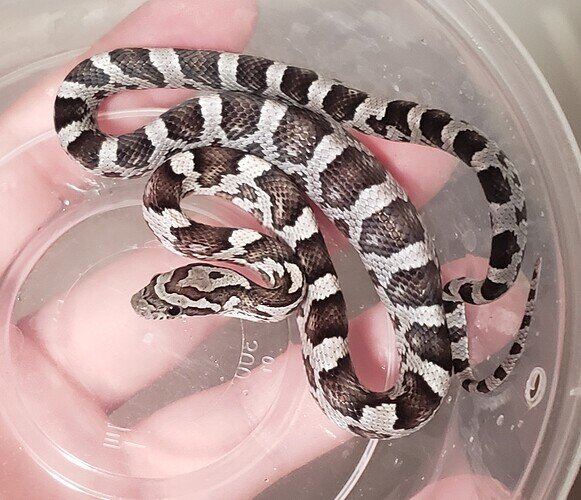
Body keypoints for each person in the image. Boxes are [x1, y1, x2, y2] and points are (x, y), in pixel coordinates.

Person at [0, 1, 528, 497]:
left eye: (164, 298)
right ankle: (463, 288)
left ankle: (469, 240)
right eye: (166, 301)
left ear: (206, 277)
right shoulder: (254, 261)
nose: (152, 304)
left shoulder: (235, 245)